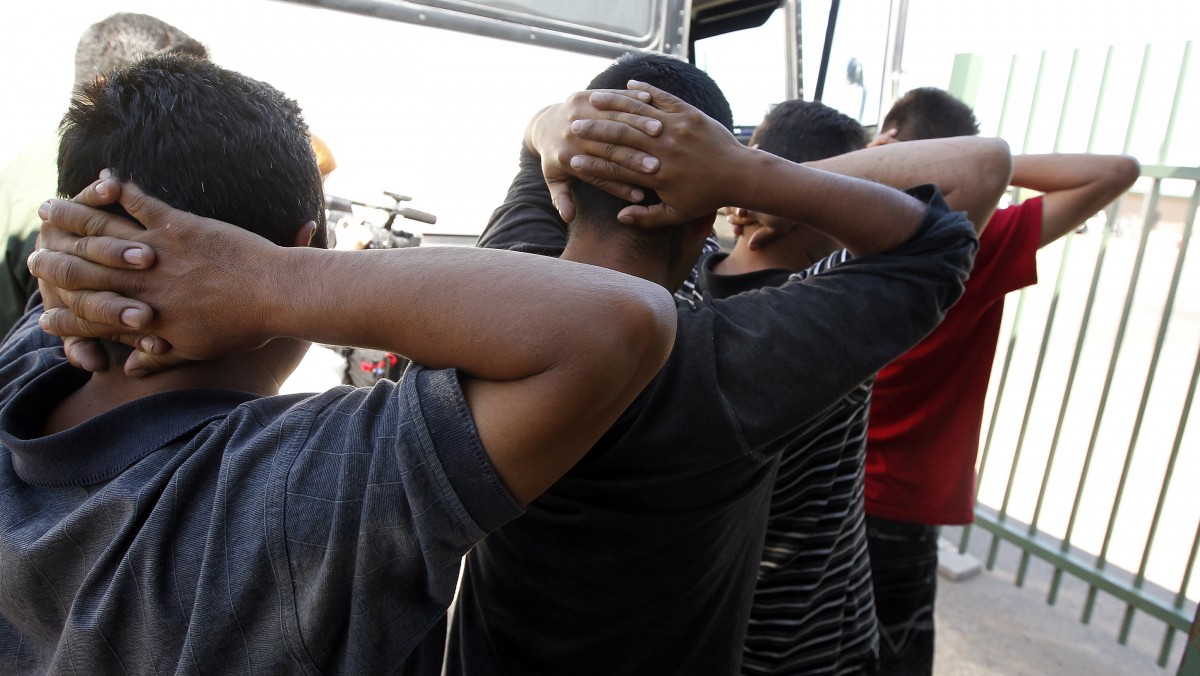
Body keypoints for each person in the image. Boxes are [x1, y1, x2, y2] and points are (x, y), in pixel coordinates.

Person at [4, 54, 676, 675]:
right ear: (306, 246)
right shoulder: (293, 489)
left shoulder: (23, 367)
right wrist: (270, 282)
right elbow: (623, 322)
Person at [442, 53, 978, 674]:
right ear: (708, 219)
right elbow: (939, 245)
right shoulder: (728, 371)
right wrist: (744, 173)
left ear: (565, 181)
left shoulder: (506, 281)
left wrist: (550, 123)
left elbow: (539, 150)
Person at [710, 99, 1010, 674]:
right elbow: (985, 165)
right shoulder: (832, 304)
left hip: (712, 633)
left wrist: (741, 173)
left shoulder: (681, 291)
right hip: (814, 647)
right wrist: (764, 179)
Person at [862, 86, 1141, 676]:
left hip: (814, 488)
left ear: (886, 144)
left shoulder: (831, 233)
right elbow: (1116, 172)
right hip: (901, 504)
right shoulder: (974, 246)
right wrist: (986, 160)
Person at [0, 12, 208, 335]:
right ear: (105, 92)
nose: (198, 114)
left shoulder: (29, 160)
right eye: (178, 97)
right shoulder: (120, 184)